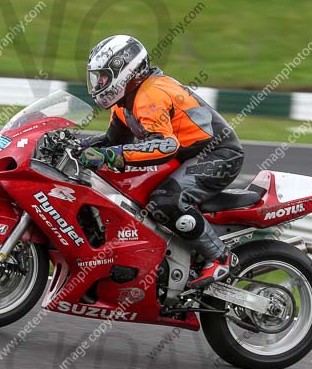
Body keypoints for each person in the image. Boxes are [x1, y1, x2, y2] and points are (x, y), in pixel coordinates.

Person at [79, 35, 244, 288]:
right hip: (189, 155)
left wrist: (113, 155)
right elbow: (113, 140)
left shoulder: (149, 95)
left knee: (165, 200)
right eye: (97, 77)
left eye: (103, 76)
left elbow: (164, 145)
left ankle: (221, 257)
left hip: (219, 154)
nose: (99, 83)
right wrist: (77, 144)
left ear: (124, 70)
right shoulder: (124, 103)